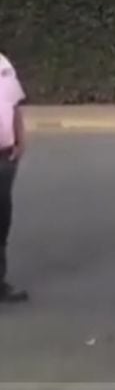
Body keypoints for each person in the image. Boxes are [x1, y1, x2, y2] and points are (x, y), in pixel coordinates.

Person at [0, 52, 28, 304]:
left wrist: (20, 137)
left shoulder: (4, 64)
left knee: (2, 217)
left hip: (5, 155)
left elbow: (14, 104)